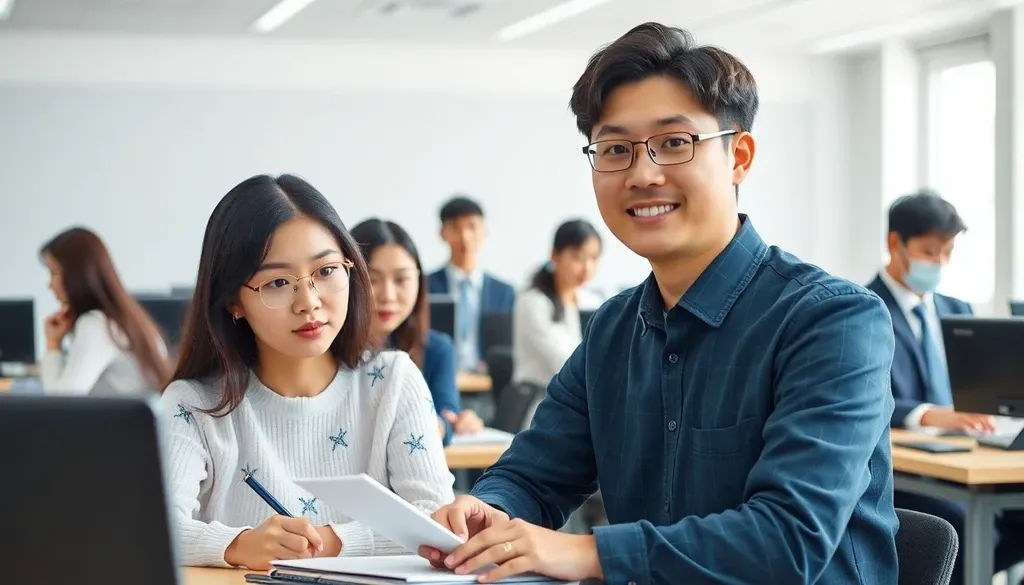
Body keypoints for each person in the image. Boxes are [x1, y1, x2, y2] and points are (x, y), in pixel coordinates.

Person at [419, 23, 898, 584]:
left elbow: (788, 540)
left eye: (674, 143)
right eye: (615, 150)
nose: (643, 175)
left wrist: (586, 554)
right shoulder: (615, 329)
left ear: (739, 157)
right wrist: (490, 509)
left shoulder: (834, 321)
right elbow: (533, 474)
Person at [159, 175, 454, 569]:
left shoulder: (393, 381)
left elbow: (435, 523)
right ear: (233, 301)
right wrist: (239, 545)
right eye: (278, 282)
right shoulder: (193, 405)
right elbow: (154, 529)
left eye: (326, 271)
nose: (309, 302)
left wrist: (329, 542)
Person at [867, 190, 1024, 585]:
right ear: (895, 243)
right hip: (910, 472)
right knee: (959, 523)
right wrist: (929, 415)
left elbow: (978, 389)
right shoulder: (862, 307)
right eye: (929, 251)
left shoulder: (958, 310)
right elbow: (867, 397)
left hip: (969, 455)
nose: (939, 262)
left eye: (948, 251)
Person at [350, 218, 484, 445]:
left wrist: (453, 423)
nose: (388, 296)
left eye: (401, 279)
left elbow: (446, 415)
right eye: (372, 280)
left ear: (419, 282)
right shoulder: (326, 348)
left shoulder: (436, 348)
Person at [38, 227, 171, 394]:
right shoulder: (123, 319)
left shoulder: (96, 325)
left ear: (76, 275)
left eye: (54, 273)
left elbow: (61, 402)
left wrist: (52, 344)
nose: (50, 285)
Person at [513, 220, 602, 430]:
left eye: (593, 258)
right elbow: (564, 363)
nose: (586, 267)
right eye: (577, 257)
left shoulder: (593, 301)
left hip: (585, 402)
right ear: (555, 256)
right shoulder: (533, 302)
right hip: (542, 405)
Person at [426, 196, 515, 372]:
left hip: (488, 382)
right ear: (442, 233)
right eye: (455, 228)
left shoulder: (505, 292)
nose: (465, 236)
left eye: (472, 227)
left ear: (484, 231)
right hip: (437, 375)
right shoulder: (424, 286)